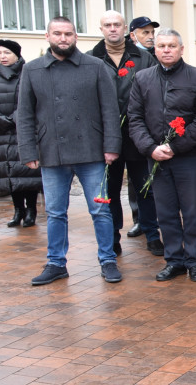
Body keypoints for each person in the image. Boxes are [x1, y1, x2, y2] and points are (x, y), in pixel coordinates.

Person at [16, 17, 122, 285]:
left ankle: (108, 260)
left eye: (68, 34)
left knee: (100, 210)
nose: (63, 38)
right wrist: (29, 150)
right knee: (54, 212)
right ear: (47, 36)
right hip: (52, 153)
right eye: (57, 34)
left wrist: (111, 146)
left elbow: (110, 110)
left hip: (92, 152)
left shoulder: (95, 66)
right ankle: (55, 263)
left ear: (76, 36)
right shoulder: (33, 69)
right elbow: (25, 114)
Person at [127, 29, 196, 282]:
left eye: (172, 46)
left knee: (190, 212)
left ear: (181, 49)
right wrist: (150, 148)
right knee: (164, 212)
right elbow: (134, 118)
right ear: (154, 49)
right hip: (155, 156)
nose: (166, 50)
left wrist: (176, 147)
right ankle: (174, 260)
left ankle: (195, 261)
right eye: (161, 45)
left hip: (186, 157)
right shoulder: (142, 78)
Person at [90, 11, 163, 256]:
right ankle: (112, 239)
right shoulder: (90, 59)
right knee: (109, 191)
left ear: (125, 29)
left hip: (139, 135)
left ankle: (152, 235)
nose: (112, 29)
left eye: (117, 25)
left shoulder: (143, 58)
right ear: (101, 29)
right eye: (107, 25)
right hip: (105, 137)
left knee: (146, 188)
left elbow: (156, 94)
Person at [0, 39, 42, 228]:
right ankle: (18, 210)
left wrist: (16, 117)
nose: (2, 57)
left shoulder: (28, 73)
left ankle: (31, 210)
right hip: (0, 131)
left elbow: (34, 99)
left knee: (26, 171)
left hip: (23, 128)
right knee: (9, 171)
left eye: (6, 52)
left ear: (17, 54)